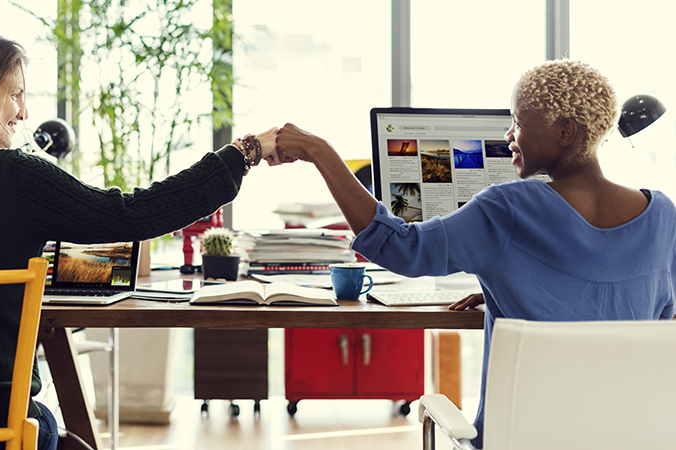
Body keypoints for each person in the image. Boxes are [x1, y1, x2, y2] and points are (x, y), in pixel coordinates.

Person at [0, 24, 280, 450]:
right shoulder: (14, 175)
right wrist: (242, 154)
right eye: (15, 93)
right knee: (52, 427)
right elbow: (131, 214)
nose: (24, 112)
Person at [274, 59, 676, 448]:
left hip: (519, 441)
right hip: (627, 439)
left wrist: (320, 152)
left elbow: (401, 247)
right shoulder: (662, 216)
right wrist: (519, 284)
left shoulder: (508, 207)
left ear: (565, 132)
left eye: (518, 122)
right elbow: (650, 319)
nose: (508, 134)